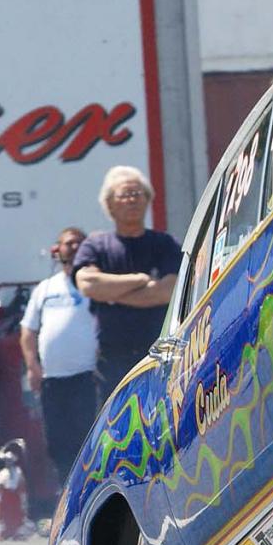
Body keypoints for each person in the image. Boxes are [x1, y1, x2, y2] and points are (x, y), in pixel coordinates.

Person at [72, 166, 181, 400]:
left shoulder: (165, 244)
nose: (132, 200)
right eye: (124, 195)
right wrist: (140, 279)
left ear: (148, 200)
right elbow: (88, 284)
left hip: (159, 354)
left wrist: (110, 293)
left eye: (137, 194)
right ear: (109, 204)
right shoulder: (96, 245)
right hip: (111, 360)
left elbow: (168, 291)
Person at [19, 228, 99, 483]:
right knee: (57, 444)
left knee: (89, 440)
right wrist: (32, 366)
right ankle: (67, 490)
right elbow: (28, 331)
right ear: (58, 250)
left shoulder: (95, 283)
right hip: (52, 382)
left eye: (79, 243)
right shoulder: (45, 289)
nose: (74, 247)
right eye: (68, 243)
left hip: (87, 378)